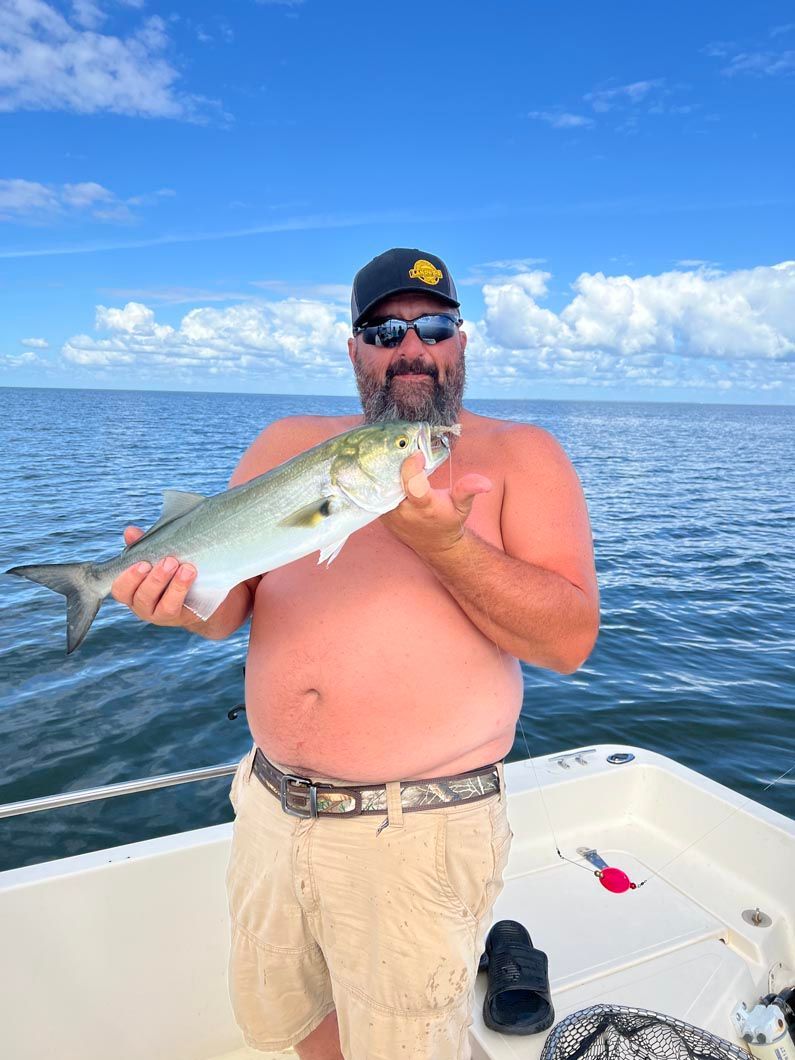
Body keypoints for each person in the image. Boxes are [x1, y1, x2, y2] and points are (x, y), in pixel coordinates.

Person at [111, 248, 599, 1060]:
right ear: (353, 349)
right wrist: (168, 602)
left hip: (414, 833)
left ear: (461, 341)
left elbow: (568, 641)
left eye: (432, 325)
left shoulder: (522, 455)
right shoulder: (286, 442)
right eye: (382, 330)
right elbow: (227, 605)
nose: (410, 346)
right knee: (302, 1029)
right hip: (269, 809)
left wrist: (444, 545)